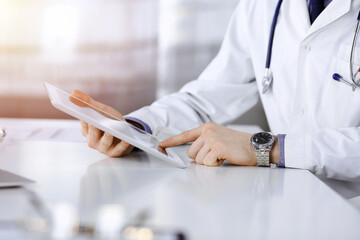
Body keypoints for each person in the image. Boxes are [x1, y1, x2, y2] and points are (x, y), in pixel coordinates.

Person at [72, 0, 360, 184]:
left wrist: (268, 148)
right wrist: (134, 128)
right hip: (288, 201)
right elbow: (208, 96)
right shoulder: (264, 6)